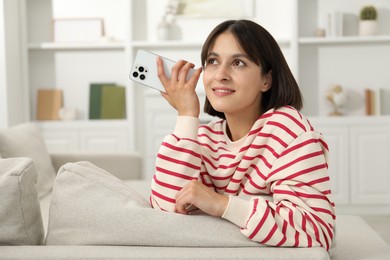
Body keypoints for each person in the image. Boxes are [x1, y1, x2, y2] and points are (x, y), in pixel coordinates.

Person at [150, 19, 335, 250]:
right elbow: (163, 215)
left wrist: (222, 205)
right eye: (213, 61)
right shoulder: (202, 138)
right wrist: (187, 115)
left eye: (238, 63)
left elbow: (318, 231)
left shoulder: (288, 129)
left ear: (266, 80)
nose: (220, 75)